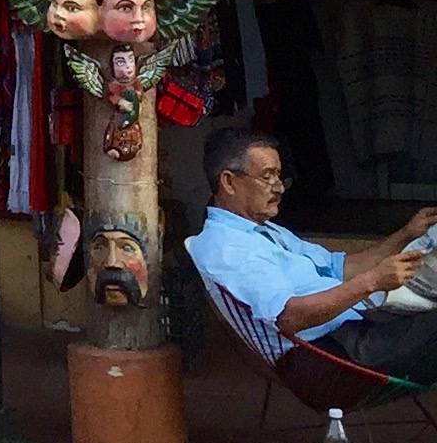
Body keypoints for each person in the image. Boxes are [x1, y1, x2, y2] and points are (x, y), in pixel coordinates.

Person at [186, 129, 437, 383]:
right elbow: (289, 318)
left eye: (279, 176)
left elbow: (342, 268)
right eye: (267, 177)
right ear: (228, 182)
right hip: (333, 355)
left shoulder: (264, 230)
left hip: (360, 329)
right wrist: (372, 282)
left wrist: (407, 233)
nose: (279, 187)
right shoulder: (228, 247)